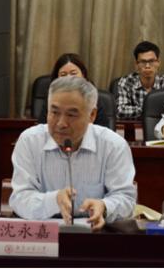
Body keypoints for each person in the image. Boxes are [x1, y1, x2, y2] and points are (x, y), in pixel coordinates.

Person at [10, 76, 136, 232]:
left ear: (92, 115)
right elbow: (19, 199)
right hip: (43, 236)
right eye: (54, 112)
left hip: (94, 235)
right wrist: (53, 200)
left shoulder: (113, 146)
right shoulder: (30, 141)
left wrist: (104, 206)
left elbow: (126, 199)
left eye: (71, 115)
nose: (61, 123)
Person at [37, 53, 109, 128]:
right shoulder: (52, 100)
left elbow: (103, 130)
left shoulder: (93, 100)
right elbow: (43, 128)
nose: (69, 79)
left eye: (73, 74)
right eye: (63, 75)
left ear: (83, 74)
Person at [116, 41, 164, 120]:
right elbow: (120, 111)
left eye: (151, 61)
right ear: (136, 64)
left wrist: (140, 110)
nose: (147, 66)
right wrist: (151, 109)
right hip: (134, 126)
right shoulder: (126, 82)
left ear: (158, 62)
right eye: (143, 62)